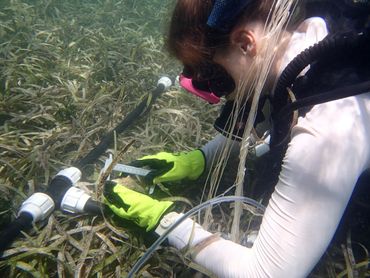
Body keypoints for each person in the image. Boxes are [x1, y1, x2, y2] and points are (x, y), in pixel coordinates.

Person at [104, 0, 370, 277]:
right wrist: (200, 159)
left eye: (213, 76)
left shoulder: (325, 133)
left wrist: (164, 221)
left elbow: (267, 273)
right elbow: (269, 106)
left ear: (246, 44)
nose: (219, 96)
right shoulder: (307, 39)